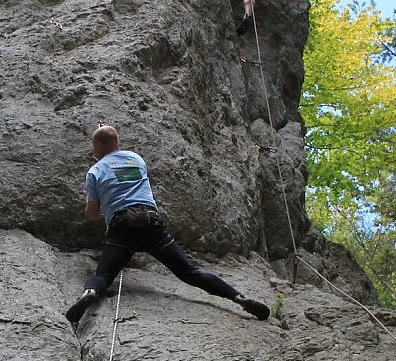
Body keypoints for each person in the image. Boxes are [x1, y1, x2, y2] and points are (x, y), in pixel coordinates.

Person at [65, 125, 271, 324]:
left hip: (121, 227)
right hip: (149, 223)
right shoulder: (136, 160)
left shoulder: (95, 170)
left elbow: (92, 214)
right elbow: (125, 179)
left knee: (103, 275)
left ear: (100, 146)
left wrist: (99, 193)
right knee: (191, 273)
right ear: (116, 142)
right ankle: (238, 298)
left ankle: (90, 292)